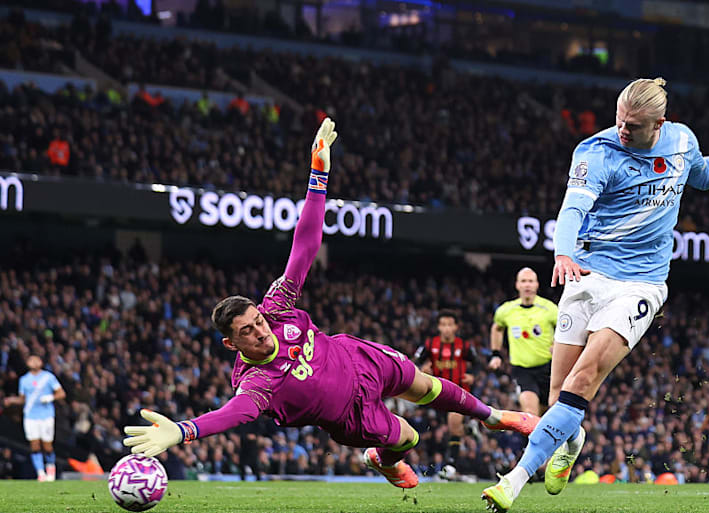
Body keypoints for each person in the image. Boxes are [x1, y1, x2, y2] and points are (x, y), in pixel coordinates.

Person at [122, 119, 538, 489]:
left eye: (256, 320)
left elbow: (304, 246)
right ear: (232, 345)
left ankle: (493, 416)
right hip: (350, 416)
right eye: (246, 331)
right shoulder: (256, 382)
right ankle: (383, 460)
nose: (259, 329)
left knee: (425, 385)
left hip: (357, 357)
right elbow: (233, 415)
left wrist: (317, 176)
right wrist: (183, 431)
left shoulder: (277, 307)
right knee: (408, 437)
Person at [482, 77, 709, 511]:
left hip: (641, 284)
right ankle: (572, 438)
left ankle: (515, 479)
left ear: (660, 124)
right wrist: (562, 251)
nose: (623, 130)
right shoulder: (596, 152)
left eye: (633, 126)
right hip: (586, 272)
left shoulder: (680, 141)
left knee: (582, 381)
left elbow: (706, 175)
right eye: (619, 120)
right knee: (559, 396)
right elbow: (573, 208)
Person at [413, 309, 478, 472]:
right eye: (443, 325)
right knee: (440, 430)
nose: (447, 328)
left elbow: (477, 363)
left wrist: (472, 375)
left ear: (456, 327)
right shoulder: (429, 344)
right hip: (436, 393)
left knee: (453, 423)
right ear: (439, 327)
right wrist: (423, 369)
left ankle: (451, 464)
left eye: (450, 325)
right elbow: (414, 362)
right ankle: (469, 428)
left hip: (459, 392)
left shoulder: (464, 346)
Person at [488, 268, 558, 415]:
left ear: (537, 285)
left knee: (545, 413)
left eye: (531, 281)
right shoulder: (506, 310)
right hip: (522, 369)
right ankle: (530, 437)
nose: (527, 285)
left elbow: (565, 329)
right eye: (524, 281)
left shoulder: (550, 309)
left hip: (547, 368)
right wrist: (496, 354)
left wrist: (557, 344)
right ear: (517, 285)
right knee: (529, 412)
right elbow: (497, 328)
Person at [2, 355, 66, 481]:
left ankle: (50, 469)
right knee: (34, 445)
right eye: (31, 359)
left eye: (36, 359)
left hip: (46, 416)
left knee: (47, 446)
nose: (34, 361)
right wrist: (11, 400)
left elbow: (61, 393)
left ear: (41, 362)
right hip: (30, 416)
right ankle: (41, 473)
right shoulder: (24, 380)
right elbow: (23, 399)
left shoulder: (48, 377)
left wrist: (50, 398)